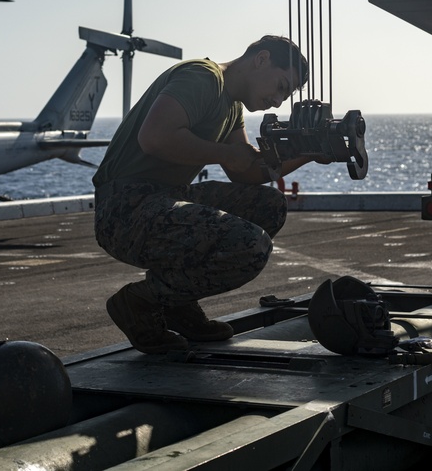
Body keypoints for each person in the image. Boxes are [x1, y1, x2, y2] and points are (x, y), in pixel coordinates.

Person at [92, 35, 320, 354]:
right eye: (282, 87)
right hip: (124, 209)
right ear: (262, 59)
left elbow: (248, 172)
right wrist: (224, 154)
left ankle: (177, 303)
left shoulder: (230, 105)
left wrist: (311, 151)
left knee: (269, 207)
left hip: (163, 197)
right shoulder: (203, 78)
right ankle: (140, 302)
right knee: (250, 245)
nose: (280, 101)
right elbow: (154, 138)